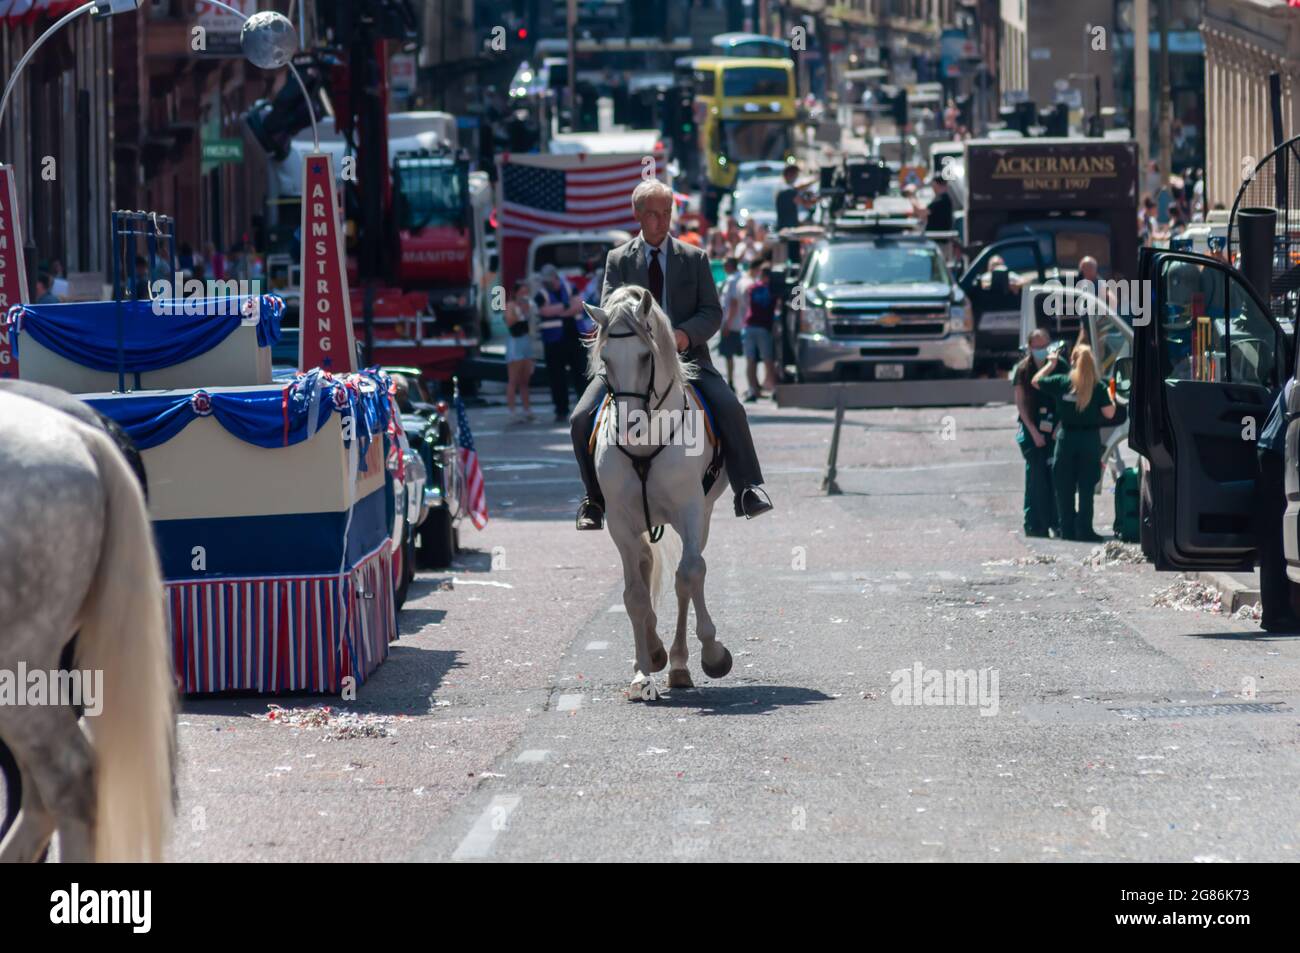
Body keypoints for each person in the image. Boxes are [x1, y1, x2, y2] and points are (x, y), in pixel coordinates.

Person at [570, 178, 772, 530]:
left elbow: (712, 311)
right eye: (653, 214)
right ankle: (593, 499)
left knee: (731, 408)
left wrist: (683, 335)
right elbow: (607, 307)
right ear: (637, 214)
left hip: (688, 358)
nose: (661, 221)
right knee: (580, 418)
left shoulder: (694, 258)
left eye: (667, 213)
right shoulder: (618, 260)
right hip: (629, 362)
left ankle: (747, 488)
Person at [1032, 343, 1115, 541]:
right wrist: (1111, 397)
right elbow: (1110, 414)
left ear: (1072, 361)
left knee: (1064, 485)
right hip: (1089, 439)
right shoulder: (1098, 387)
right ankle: (1085, 530)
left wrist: (1051, 364)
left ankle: (1067, 529)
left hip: (1066, 437)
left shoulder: (1063, 382)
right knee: (1086, 486)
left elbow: (1036, 381)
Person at [1256, 376, 1300, 631]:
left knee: (1274, 539)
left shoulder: (1293, 381)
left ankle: (1275, 612)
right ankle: (1277, 615)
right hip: (1275, 455)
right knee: (1276, 538)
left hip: (1271, 452)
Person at [1014, 329, 1057, 537]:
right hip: (1032, 430)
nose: (1041, 350)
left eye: (1044, 346)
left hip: (1054, 430)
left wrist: (1058, 428)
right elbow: (1021, 404)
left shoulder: (1058, 367)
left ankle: (1056, 521)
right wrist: (1034, 432)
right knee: (1036, 477)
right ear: (1030, 347)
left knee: (1056, 476)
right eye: (1036, 347)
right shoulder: (1023, 370)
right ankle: (1035, 523)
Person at [534, 264, 587, 423]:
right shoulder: (541, 294)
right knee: (557, 378)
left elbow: (579, 306)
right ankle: (561, 410)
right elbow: (544, 311)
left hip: (574, 338)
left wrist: (557, 310)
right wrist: (565, 306)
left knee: (581, 375)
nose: (546, 283)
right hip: (553, 342)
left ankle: (585, 407)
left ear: (556, 278)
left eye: (549, 280)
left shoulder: (571, 287)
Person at [742, 260, 778, 402]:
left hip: (749, 326)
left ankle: (753, 390)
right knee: (768, 360)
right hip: (764, 327)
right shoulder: (773, 290)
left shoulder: (752, 288)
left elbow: (746, 302)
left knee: (750, 361)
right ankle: (774, 389)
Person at [504, 279, 537, 423]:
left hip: (525, 342)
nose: (524, 295)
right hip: (515, 342)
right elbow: (509, 321)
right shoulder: (511, 305)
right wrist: (520, 311)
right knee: (513, 379)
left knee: (525, 379)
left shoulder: (529, 305)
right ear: (516, 293)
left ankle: (527, 409)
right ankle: (512, 410)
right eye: (522, 292)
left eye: (526, 292)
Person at [716, 256, 746, 391]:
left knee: (729, 355)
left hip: (732, 323)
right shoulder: (739, 277)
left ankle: (731, 381)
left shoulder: (733, 280)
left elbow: (734, 303)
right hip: (738, 322)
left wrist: (727, 323)